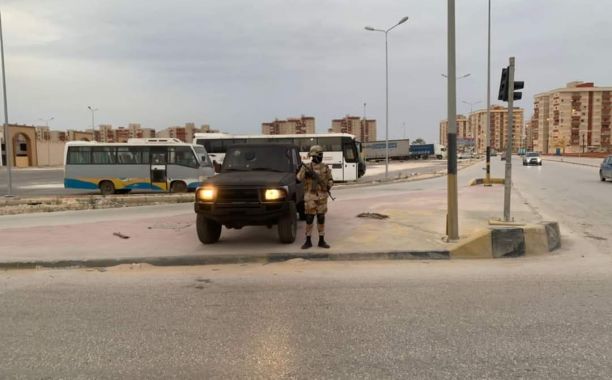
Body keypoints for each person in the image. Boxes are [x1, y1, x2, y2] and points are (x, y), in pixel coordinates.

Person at [296, 145, 333, 249]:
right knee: (309, 218)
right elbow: (298, 178)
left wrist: (328, 186)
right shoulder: (306, 167)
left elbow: (330, 179)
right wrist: (304, 173)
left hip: (322, 197)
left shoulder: (325, 167)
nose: (321, 156)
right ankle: (308, 241)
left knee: (321, 218)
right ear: (315, 156)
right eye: (320, 155)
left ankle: (321, 240)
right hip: (310, 197)